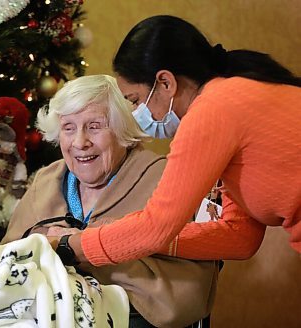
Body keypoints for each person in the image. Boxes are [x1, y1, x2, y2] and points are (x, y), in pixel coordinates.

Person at [46, 15, 301, 267]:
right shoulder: (231, 96)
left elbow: (155, 227)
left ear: (165, 82)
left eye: (135, 100)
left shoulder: (211, 112)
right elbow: (241, 237)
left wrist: (68, 246)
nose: (136, 114)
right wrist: (121, 234)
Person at [2, 75, 219, 327]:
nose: (80, 142)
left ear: (121, 129)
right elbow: (6, 265)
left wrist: (86, 252)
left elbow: (187, 297)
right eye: (68, 128)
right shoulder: (47, 179)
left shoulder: (166, 181)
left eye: (95, 126)